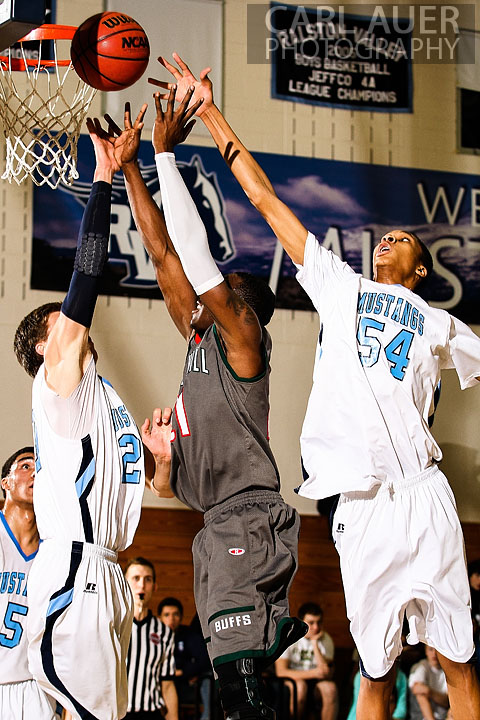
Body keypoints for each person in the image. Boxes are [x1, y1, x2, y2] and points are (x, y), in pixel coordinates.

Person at [149, 54, 480, 720]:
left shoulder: (441, 322)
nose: (386, 242)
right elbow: (265, 200)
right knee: (376, 671)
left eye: (401, 241)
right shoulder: (338, 285)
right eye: (381, 236)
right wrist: (210, 111)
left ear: (420, 272)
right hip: (358, 507)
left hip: (423, 494)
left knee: (458, 663)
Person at [111, 88, 306, 720]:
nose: (200, 293)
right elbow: (164, 252)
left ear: (237, 306)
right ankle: (273, 627)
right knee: (232, 681)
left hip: (245, 517)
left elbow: (192, 259)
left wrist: (168, 156)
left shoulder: (245, 340)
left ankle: (271, 630)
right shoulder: (198, 338)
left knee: (240, 690)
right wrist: (134, 167)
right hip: (216, 524)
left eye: (218, 291)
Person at [12, 108, 166, 720]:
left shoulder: (103, 400)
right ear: (44, 352)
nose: (74, 330)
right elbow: (87, 274)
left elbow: (146, 492)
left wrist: (159, 465)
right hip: (73, 575)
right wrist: (104, 179)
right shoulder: (56, 385)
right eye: (62, 329)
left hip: (104, 573)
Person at [0, 447, 57, 720]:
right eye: (25, 466)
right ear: (5, 483)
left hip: (38, 691)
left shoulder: (56, 551)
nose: (35, 471)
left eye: (41, 466)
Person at [124, 558, 178, 720]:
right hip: (115, 713)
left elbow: (167, 684)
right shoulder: (111, 625)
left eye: (147, 579)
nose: (141, 585)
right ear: (124, 584)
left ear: (154, 586)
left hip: (151, 714)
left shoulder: (164, 632)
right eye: (136, 578)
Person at [275, 602, 338, 720]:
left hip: (316, 682)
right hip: (292, 679)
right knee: (300, 687)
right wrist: (314, 673)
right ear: (301, 621)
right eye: (311, 623)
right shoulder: (289, 638)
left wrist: (315, 643)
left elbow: (327, 673)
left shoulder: (325, 639)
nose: (316, 627)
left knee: (330, 688)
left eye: (319, 622)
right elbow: (281, 671)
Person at [158, 597, 213, 720]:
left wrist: (184, 672)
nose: (171, 619)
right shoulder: (154, 637)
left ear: (181, 617)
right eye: (166, 615)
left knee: (208, 677)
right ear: (160, 618)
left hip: (187, 684)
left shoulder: (188, 635)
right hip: (160, 684)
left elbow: (204, 660)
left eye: (175, 614)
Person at [408, 646, 449, 720]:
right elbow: (417, 689)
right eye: (431, 649)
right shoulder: (421, 666)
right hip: (421, 717)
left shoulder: (448, 671)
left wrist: (429, 691)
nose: (434, 654)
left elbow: (447, 702)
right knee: (421, 695)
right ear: (426, 651)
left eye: (438, 650)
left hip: (444, 716)